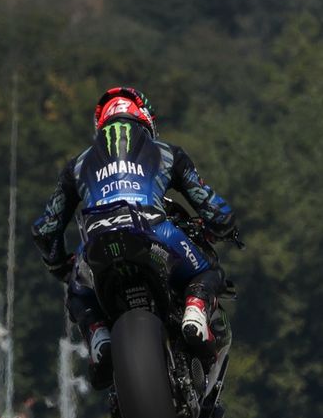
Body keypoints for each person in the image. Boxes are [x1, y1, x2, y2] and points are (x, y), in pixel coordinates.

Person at [31, 87, 238, 388]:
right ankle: (194, 309)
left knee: (77, 293)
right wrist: (224, 227)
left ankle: (98, 334)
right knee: (209, 270)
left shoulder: (76, 166)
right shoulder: (168, 153)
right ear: (147, 120)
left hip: (97, 245)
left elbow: (46, 228)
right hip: (155, 232)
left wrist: (60, 267)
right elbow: (211, 206)